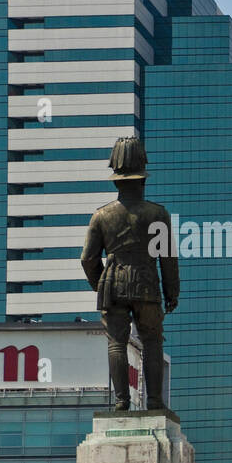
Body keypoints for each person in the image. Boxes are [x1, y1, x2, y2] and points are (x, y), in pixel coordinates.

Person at [80, 137, 179, 411]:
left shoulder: (101, 216)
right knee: (152, 342)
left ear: (116, 179)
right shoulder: (158, 214)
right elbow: (167, 259)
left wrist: (101, 283)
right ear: (143, 178)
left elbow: (88, 259)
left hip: (113, 285)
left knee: (117, 343)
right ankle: (155, 401)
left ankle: (122, 401)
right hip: (147, 283)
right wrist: (172, 292)